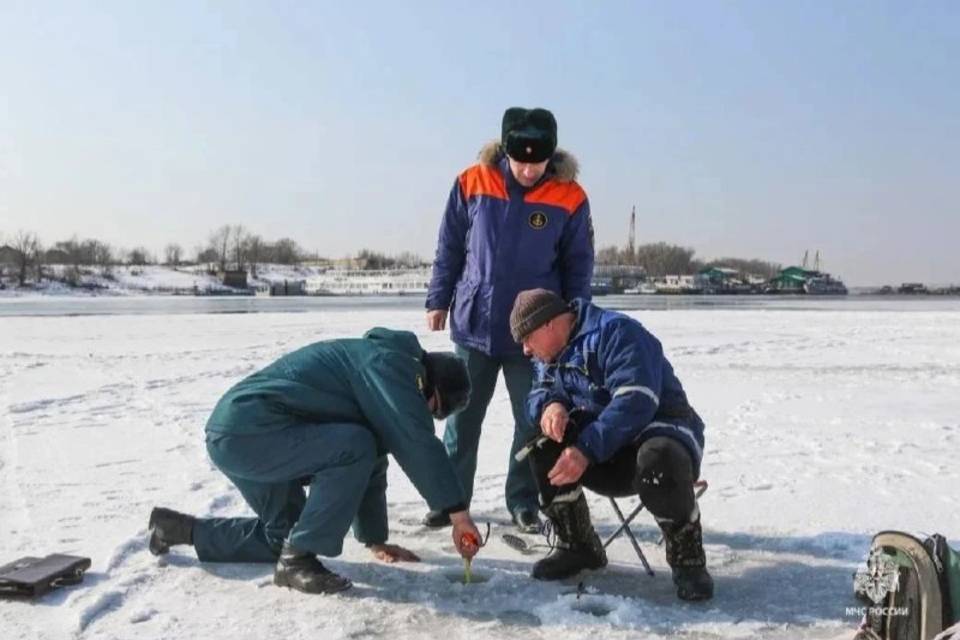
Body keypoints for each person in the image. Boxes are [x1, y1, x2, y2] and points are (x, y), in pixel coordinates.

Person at [147, 327, 482, 595]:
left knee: (287, 536)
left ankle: (177, 529)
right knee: (354, 445)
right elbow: (414, 439)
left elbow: (375, 461)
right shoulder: (389, 365)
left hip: (246, 434)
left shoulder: (382, 369)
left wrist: (374, 539)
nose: (428, 414)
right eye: (434, 408)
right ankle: (296, 563)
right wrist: (459, 515)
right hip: (252, 431)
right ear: (429, 384)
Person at [424, 107, 595, 533]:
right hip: (474, 326)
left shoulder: (569, 195)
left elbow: (579, 265)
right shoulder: (472, 181)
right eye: (520, 161)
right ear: (505, 151)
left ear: (550, 157)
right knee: (461, 421)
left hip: (535, 334)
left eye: (537, 163)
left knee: (532, 419)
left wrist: (575, 320)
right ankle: (451, 500)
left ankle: (523, 501)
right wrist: (437, 299)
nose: (528, 170)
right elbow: (449, 247)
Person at [508, 289, 714, 601]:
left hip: (659, 437)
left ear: (549, 324)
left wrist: (586, 449)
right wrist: (550, 406)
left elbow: (637, 399)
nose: (525, 350)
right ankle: (577, 545)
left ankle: (688, 558)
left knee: (659, 457)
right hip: (604, 453)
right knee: (539, 442)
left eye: (526, 338)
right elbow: (538, 392)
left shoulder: (617, 332)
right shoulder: (549, 354)